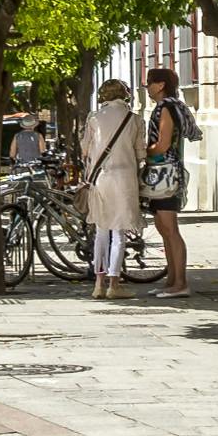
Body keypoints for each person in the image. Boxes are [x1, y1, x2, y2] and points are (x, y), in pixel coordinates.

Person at [140, 62, 200, 298]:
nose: (147, 86)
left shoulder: (166, 108)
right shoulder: (170, 106)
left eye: (150, 82)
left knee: (170, 228)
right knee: (164, 227)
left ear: (161, 85)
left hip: (165, 173)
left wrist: (144, 152)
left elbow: (163, 143)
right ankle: (172, 280)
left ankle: (180, 282)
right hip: (163, 173)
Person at [84, 77, 143, 299]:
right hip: (125, 178)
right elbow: (140, 153)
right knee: (119, 232)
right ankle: (114, 284)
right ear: (124, 95)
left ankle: (98, 284)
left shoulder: (94, 118)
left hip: (100, 178)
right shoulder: (134, 119)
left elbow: (85, 150)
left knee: (101, 231)